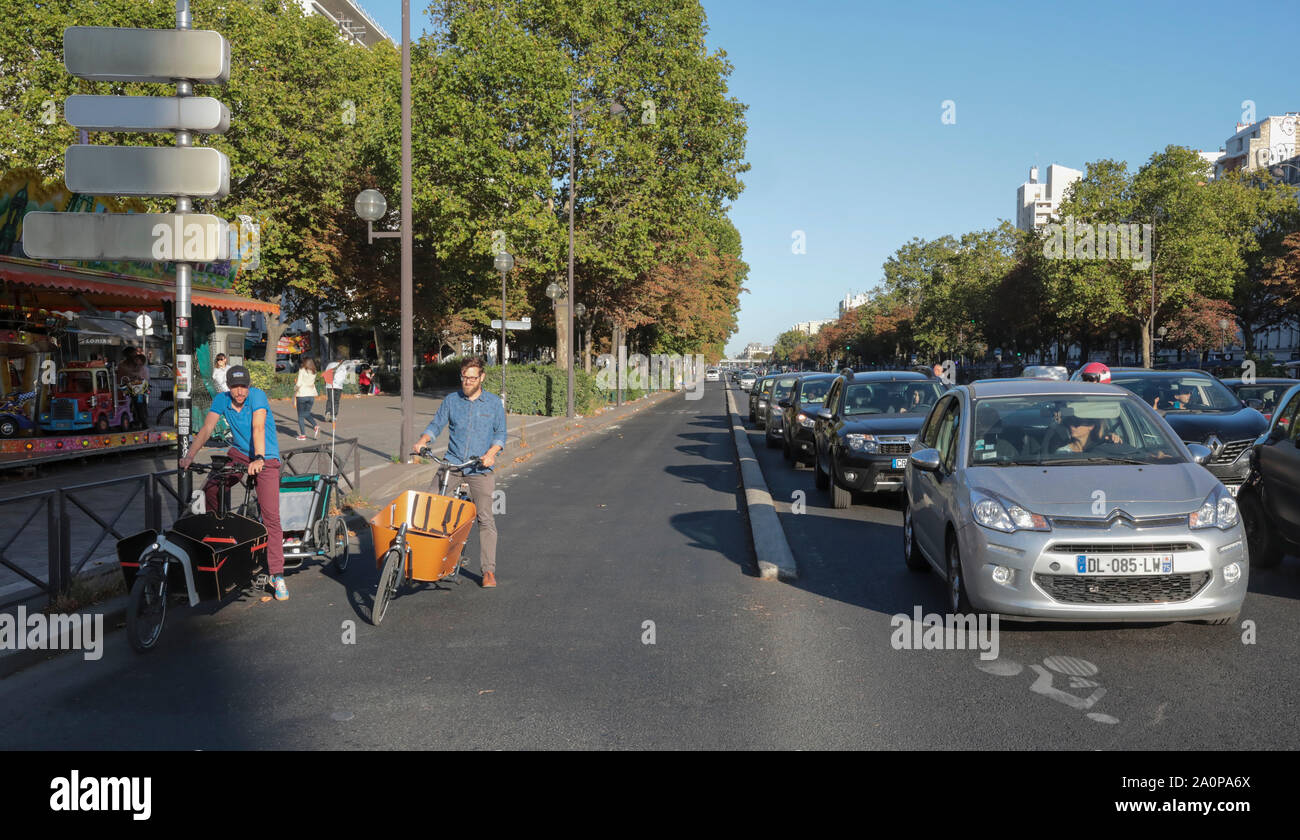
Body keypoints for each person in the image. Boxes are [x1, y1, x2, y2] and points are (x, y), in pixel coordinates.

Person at [181, 365, 289, 601]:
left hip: (266, 456)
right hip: (240, 452)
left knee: (271, 516)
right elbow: (207, 428)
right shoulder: (221, 400)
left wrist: (259, 457)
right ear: (228, 387)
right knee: (212, 486)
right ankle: (219, 540)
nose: (240, 392)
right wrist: (190, 455)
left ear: (249, 386)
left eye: (243, 387)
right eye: (235, 387)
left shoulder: (257, 396)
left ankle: (277, 575)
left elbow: (258, 426)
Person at [410, 356, 506, 588]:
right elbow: (436, 424)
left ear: (481, 377)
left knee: (485, 518)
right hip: (452, 463)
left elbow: (500, 434)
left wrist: (492, 453)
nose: (467, 382)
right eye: (464, 378)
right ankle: (421, 561)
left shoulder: (493, 404)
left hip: (479, 467)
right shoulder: (452, 401)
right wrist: (423, 440)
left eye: (472, 378)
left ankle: (488, 571)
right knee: (428, 508)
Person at [294, 357, 320, 440]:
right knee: (307, 413)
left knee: (300, 416)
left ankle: (303, 435)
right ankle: (315, 426)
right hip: (311, 395)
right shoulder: (314, 372)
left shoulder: (302, 370)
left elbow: (298, 383)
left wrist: (294, 388)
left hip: (302, 394)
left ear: (305, 363)